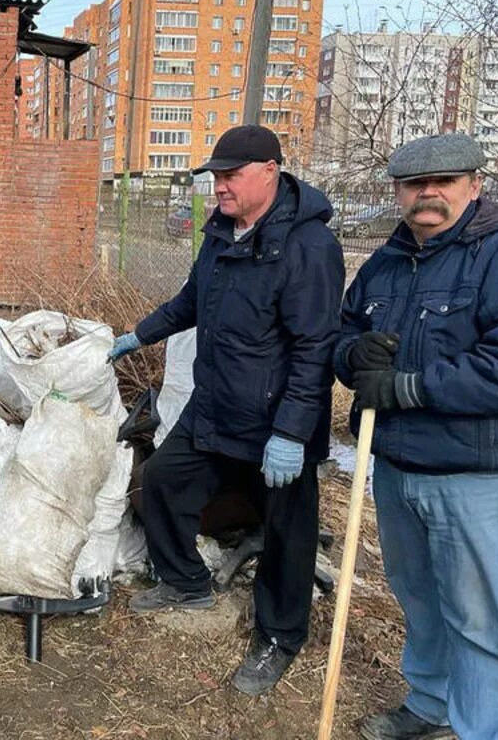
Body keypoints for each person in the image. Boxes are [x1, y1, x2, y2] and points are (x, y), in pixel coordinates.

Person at [109, 125, 344, 695]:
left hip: (276, 421)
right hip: (215, 404)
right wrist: (138, 335)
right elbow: (191, 301)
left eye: (232, 175)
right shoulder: (220, 233)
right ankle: (186, 581)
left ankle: (279, 638)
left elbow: (315, 348)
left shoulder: (309, 246)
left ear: (270, 171)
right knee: (161, 480)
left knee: (286, 532)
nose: (220, 186)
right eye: (216, 176)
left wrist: (292, 433)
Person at [336, 133, 498, 740]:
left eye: (444, 182)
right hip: (394, 466)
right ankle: (431, 703)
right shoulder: (385, 263)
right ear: (399, 192)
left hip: (471, 475)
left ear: (475, 185)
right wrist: (352, 355)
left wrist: (408, 387)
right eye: (414, 184)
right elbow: (342, 335)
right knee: (419, 597)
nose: (427, 194)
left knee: (480, 616)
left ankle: (483, 727)